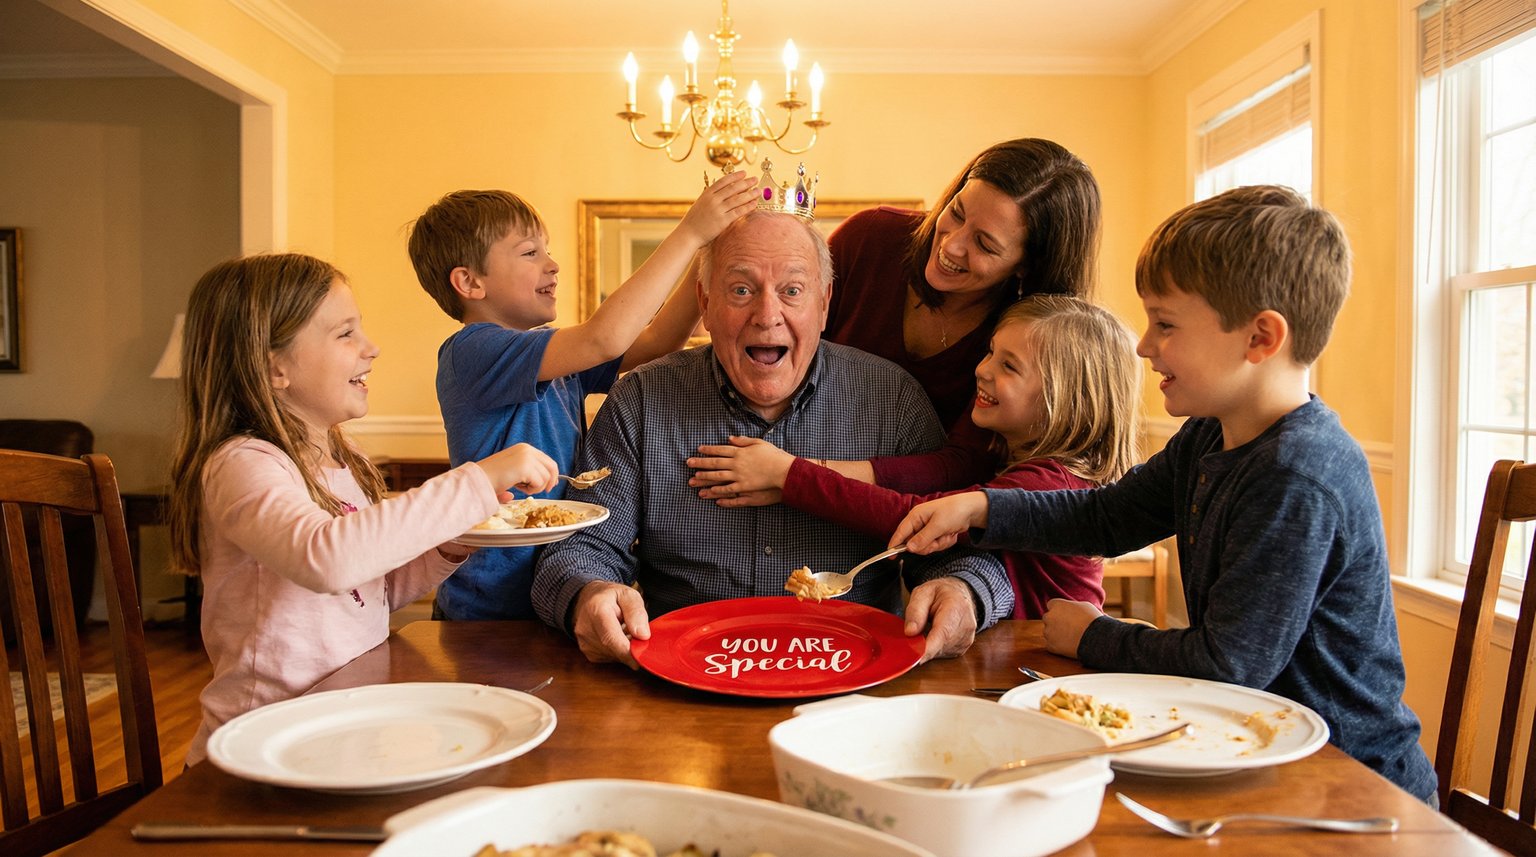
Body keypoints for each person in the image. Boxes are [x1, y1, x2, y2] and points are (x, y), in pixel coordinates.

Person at [890, 186, 1438, 802]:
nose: (1145, 345)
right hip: (1255, 751)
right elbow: (1109, 516)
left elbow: (1226, 665)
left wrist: (1092, 635)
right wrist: (981, 507)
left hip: (1348, 785)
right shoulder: (1211, 434)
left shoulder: (1296, 475)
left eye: (1166, 324)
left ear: (1260, 338)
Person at [531, 211, 1014, 666]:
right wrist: (586, 594)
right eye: (741, 289)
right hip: (683, 681)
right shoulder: (640, 400)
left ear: (824, 304)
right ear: (704, 304)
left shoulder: (894, 401)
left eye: (792, 291)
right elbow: (582, 547)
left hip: (852, 685)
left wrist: (963, 590)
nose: (767, 315)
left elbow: (957, 551)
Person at [167, 253, 560, 764]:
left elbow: (367, 592)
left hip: (340, 725)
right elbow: (328, 560)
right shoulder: (242, 463)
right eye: (345, 334)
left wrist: (448, 543)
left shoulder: (338, 463)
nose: (371, 348)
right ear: (274, 366)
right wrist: (477, 478)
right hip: (259, 746)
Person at [408, 173, 757, 620]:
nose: (552, 264)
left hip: (560, 583)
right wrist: (690, 232)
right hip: (491, 605)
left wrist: (702, 258)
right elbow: (605, 338)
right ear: (470, 283)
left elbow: (654, 344)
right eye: (530, 253)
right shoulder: (472, 351)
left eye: (547, 250)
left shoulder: (554, 357)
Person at [693, 139, 1103, 508]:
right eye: (956, 212)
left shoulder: (1025, 338)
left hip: (912, 514)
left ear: (1026, 267)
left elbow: (964, 466)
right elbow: (788, 323)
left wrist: (795, 475)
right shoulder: (871, 239)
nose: (951, 244)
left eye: (984, 244)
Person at [685, 294, 1141, 619]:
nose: (981, 370)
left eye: (1009, 365)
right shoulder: (1013, 464)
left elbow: (918, 516)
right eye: (990, 353)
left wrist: (791, 476)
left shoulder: (1048, 484)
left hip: (1052, 665)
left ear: (1063, 400)